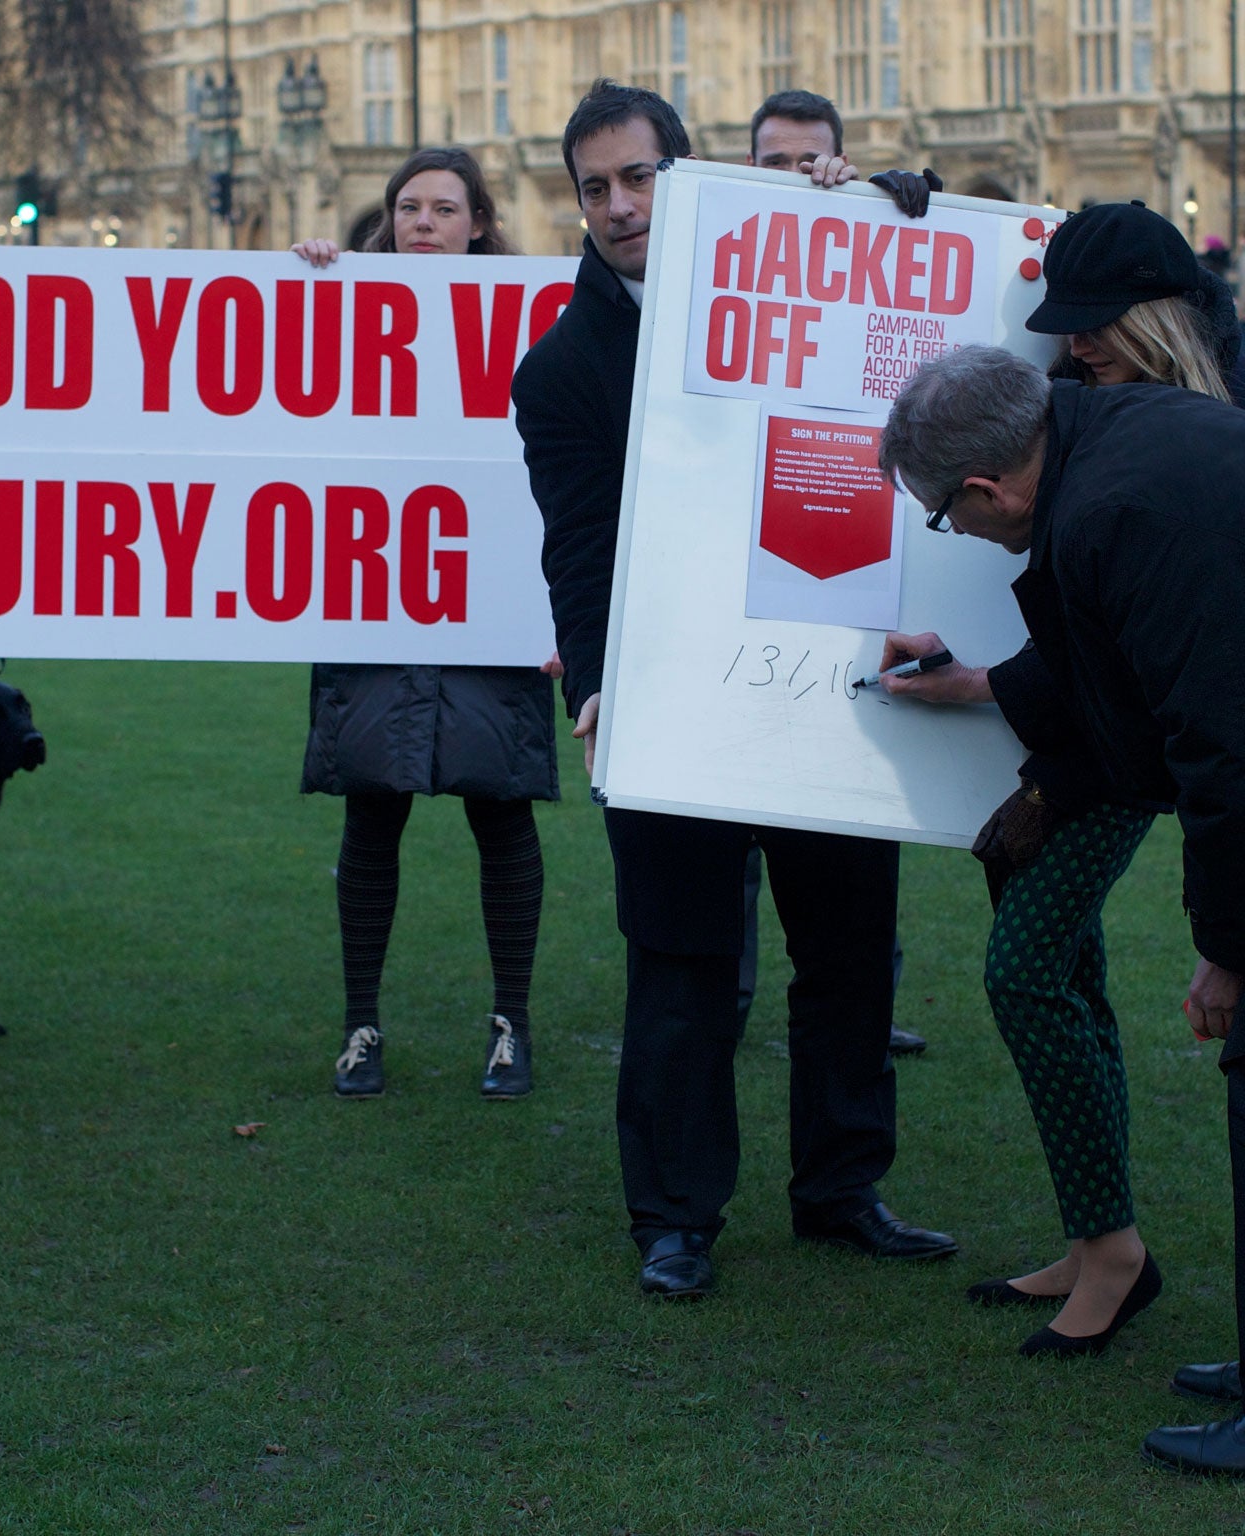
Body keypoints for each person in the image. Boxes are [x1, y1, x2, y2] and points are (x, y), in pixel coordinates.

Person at [509, 80, 955, 1300]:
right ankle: (673, 1216)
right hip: (667, 703)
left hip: (825, 681)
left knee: (849, 952)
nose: (614, 207)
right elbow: (578, 551)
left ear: (685, 173)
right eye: (591, 187)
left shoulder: (804, 265)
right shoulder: (558, 369)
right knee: (682, 963)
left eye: (636, 178)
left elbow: (926, 304)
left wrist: (880, 209)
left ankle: (840, 1187)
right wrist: (596, 688)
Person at [873, 343, 1245, 1471]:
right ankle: (1107, 1250)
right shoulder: (1102, 447)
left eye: (943, 516)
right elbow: (1107, 675)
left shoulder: (1106, 505)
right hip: (1176, 753)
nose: (956, 535)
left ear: (985, 490)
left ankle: (1114, 1257)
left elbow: (1211, 746)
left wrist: (1224, 950)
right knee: (1042, 969)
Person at [290, 148, 559, 1101]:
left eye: (445, 209)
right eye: (409, 208)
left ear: (479, 222)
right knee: (373, 811)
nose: (424, 224)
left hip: (491, 598)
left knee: (501, 810)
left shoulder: (536, 322)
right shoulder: (341, 306)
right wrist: (309, 276)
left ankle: (510, 1024)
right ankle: (361, 1024)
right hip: (374, 595)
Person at [737, 87, 943, 1057]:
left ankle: (846, 1159)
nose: (791, 179)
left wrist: (892, 207)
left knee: (845, 888)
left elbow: (930, 309)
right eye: (770, 164)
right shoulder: (712, 261)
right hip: (734, 618)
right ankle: (731, 995)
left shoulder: (863, 241)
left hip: (840, 598)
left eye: (807, 160)